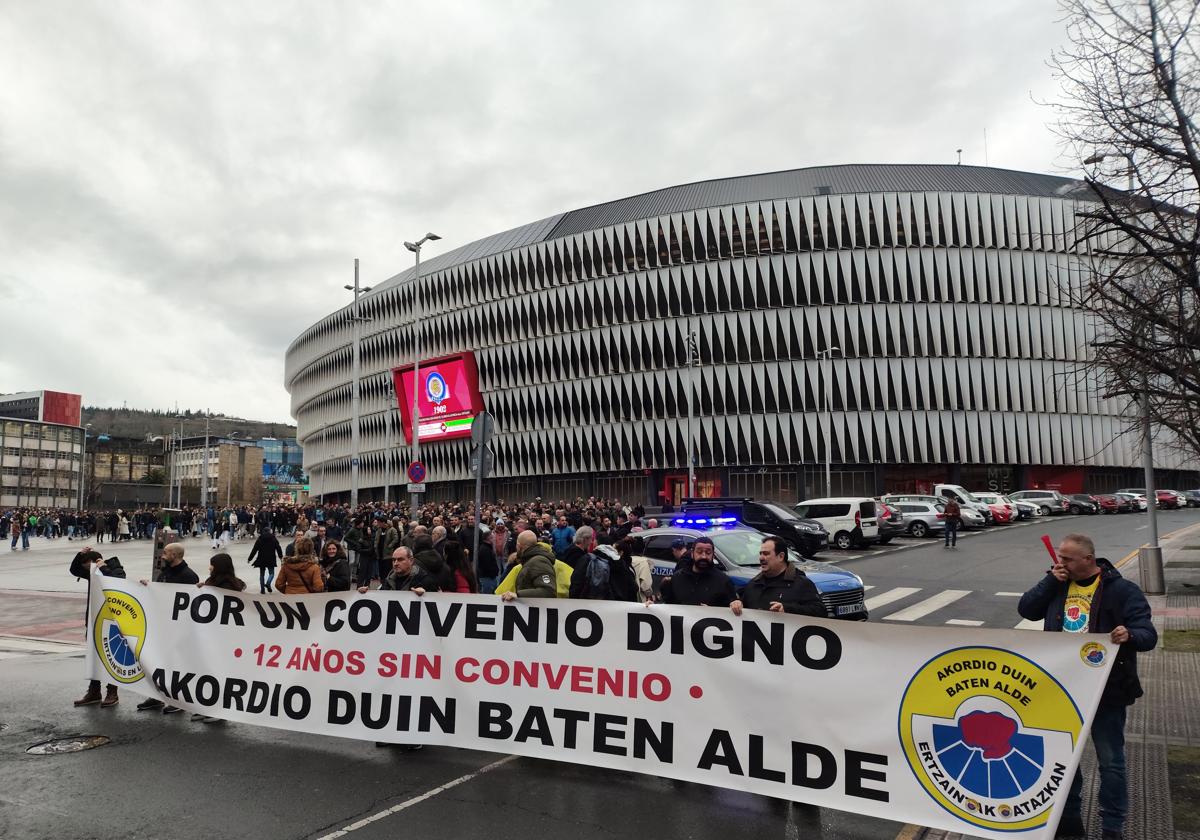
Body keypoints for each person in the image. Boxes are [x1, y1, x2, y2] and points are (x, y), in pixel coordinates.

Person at [1018, 533, 1156, 840]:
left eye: (1067, 559)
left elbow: (1148, 635)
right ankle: (1069, 821)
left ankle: (1112, 825)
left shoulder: (1121, 591)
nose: (1060, 562)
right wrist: (1050, 581)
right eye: (1059, 557)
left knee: (1111, 762)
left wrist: (1128, 635)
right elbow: (1026, 610)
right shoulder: (1057, 585)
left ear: (1088, 560)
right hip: (1062, 691)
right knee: (1064, 761)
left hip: (1106, 691)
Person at [136, 543, 199, 713]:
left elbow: (192, 605)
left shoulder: (189, 576)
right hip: (162, 626)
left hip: (179, 628)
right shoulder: (165, 572)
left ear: (175, 555)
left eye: (166, 553)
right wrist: (149, 587)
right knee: (159, 664)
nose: (162, 555)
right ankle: (158, 697)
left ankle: (179, 700)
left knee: (177, 665)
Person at [192, 553, 246, 724]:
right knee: (207, 672)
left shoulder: (230, 587)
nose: (209, 567)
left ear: (219, 567)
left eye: (212, 565)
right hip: (211, 636)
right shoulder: (213, 583)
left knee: (219, 673)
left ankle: (220, 710)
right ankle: (207, 706)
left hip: (223, 639)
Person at [69, 549, 126, 709]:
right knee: (93, 657)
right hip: (94, 618)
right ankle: (94, 691)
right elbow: (74, 570)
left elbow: (118, 582)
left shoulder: (115, 568)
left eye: (88, 567)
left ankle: (112, 692)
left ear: (97, 561)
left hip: (111, 621)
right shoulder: (92, 572)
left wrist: (104, 568)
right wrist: (80, 554)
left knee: (110, 657)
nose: (87, 571)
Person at [730, 536, 825, 617]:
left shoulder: (801, 583)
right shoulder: (753, 585)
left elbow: (821, 612)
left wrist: (788, 609)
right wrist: (737, 604)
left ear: (781, 556)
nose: (761, 558)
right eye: (760, 554)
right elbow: (744, 606)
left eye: (766, 554)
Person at [659, 536, 735, 607]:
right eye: (699, 552)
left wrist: (736, 604)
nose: (703, 556)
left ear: (713, 556)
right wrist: (652, 608)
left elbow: (732, 609)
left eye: (708, 553)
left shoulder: (723, 581)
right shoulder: (677, 578)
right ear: (692, 553)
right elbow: (667, 606)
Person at [569, 533, 637, 601]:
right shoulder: (621, 562)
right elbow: (633, 588)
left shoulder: (588, 559)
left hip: (591, 605)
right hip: (617, 606)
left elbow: (576, 585)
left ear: (596, 543)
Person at [498, 530, 557, 601]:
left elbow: (548, 591)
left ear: (519, 546)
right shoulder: (531, 560)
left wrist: (518, 595)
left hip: (536, 610)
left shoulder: (538, 561)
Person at [358, 546, 437, 595]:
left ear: (411, 561)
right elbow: (380, 598)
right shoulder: (388, 579)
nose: (395, 563)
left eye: (400, 559)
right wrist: (366, 594)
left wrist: (426, 595)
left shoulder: (425, 581)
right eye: (393, 560)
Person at [246, 527, 283, 594]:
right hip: (271, 558)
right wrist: (281, 557)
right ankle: (268, 583)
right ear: (269, 531)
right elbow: (278, 548)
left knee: (262, 574)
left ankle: (262, 589)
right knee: (271, 573)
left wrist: (249, 558)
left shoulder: (260, 539)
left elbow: (254, 549)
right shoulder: (273, 538)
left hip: (261, 558)